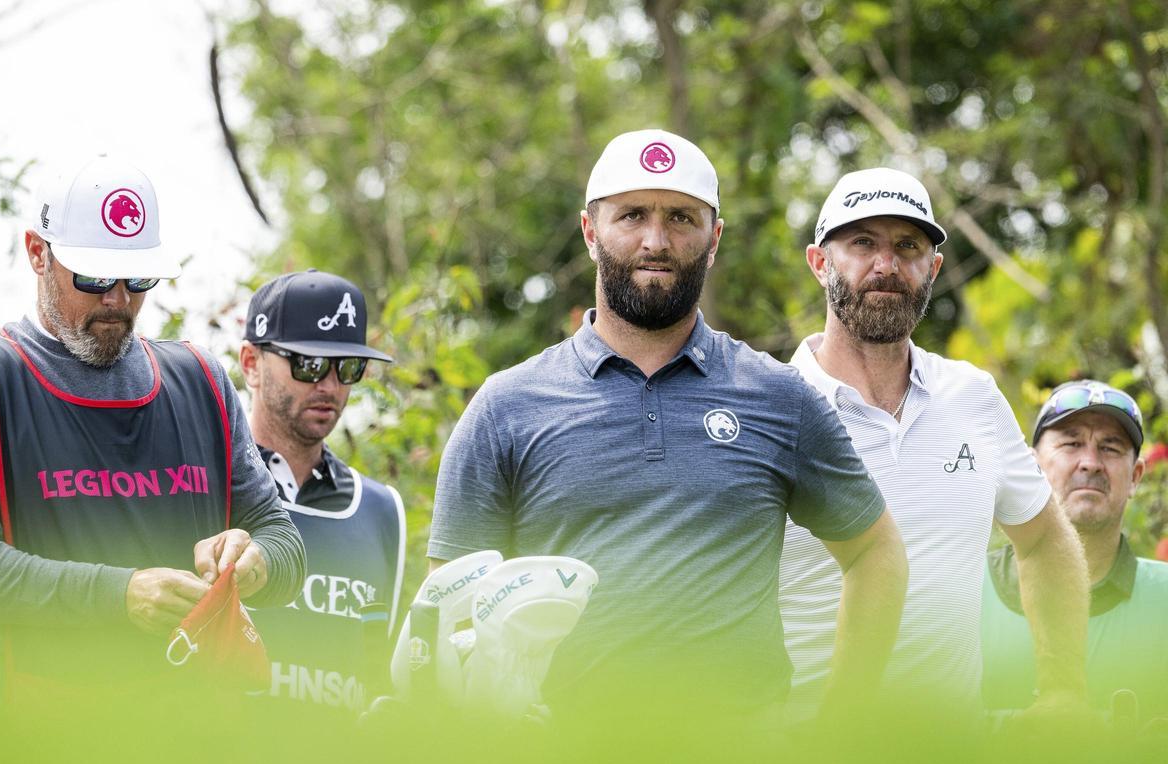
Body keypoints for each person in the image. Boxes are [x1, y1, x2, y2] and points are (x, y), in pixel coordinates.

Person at [427, 130, 908, 718]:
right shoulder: (507, 405)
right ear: (589, 231)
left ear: (714, 240)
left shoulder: (779, 396)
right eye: (632, 215)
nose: (656, 241)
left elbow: (875, 554)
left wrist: (841, 722)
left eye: (682, 218)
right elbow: (446, 610)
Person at [0, 155, 305, 705]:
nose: (118, 299)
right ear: (37, 253)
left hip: (196, 747)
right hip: (41, 751)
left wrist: (256, 562)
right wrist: (118, 595)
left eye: (138, 277)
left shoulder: (198, 378)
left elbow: (282, 538)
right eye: (94, 275)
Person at [777, 167, 1090, 719]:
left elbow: (1044, 543)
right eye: (862, 243)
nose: (886, 265)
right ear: (819, 263)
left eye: (908, 246)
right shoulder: (772, 405)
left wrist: (1063, 690)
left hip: (949, 760)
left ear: (934, 267)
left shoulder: (973, 396)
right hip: (805, 757)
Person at [238, 270, 405, 714]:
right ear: (251, 364)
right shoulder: (202, 485)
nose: (329, 386)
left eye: (347, 368)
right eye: (308, 364)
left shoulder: (383, 510)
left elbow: (384, 674)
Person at [981, 380, 1168, 719]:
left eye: (1110, 448)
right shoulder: (966, 588)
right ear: (1032, 466)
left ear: (1137, 476)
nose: (1090, 463)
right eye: (1071, 443)